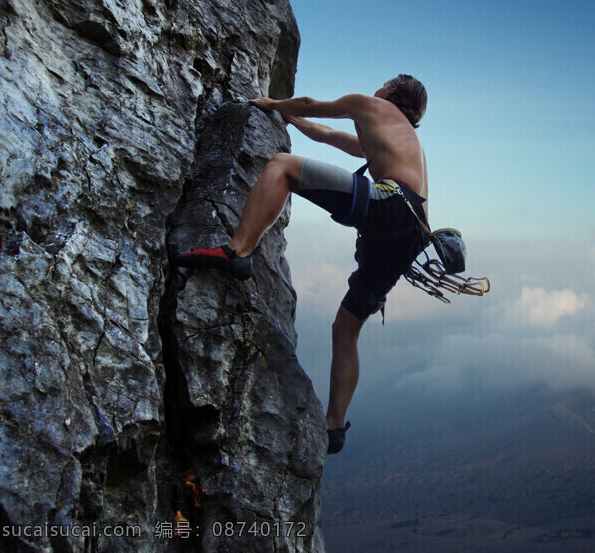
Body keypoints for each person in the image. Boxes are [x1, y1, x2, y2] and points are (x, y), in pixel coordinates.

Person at [175, 75, 429, 455]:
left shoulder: (374, 106)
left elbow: (311, 104)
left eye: (386, 82)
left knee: (282, 166)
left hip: (391, 205)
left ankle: (237, 251)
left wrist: (275, 103)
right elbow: (324, 133)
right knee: (346, 326)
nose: (379, 86)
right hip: (412, 234)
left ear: (393, 92)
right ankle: (334, 426)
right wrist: (287, 118)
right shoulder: (394, 136)